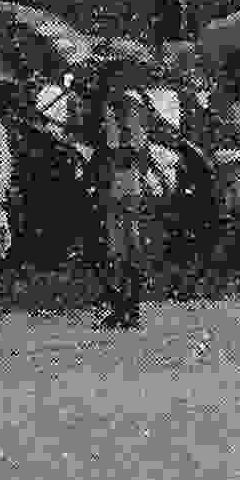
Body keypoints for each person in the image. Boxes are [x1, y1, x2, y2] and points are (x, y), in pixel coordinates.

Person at [89, 56, 154, 328]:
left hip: (124, 182)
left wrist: (111, 152)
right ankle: (122, 306)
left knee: (126, 246)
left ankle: (130, 306)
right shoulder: (111, 108)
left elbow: (133, 149)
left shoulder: (128, 109)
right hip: (116, 182)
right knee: (116, 248)